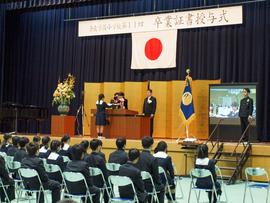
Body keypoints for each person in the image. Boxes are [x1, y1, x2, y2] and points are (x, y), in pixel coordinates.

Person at [136, 136, 165, 203]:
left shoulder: (136, 157)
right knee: (161, 187)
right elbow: (156, 176)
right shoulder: (153, 159)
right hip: (149, 185)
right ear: (152, 145)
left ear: (142, 145)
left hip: (138, 184)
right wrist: (159, 183)